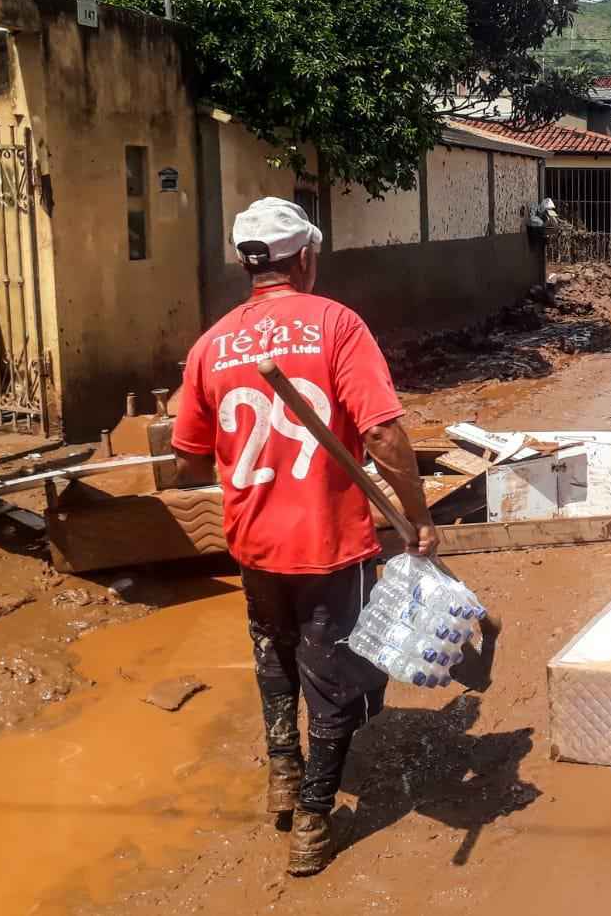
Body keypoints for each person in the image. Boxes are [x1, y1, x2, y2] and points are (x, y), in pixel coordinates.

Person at [171, 197, 439, 877]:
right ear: (308, 257)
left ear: (247, 263)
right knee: (335, 678)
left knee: (274, 658)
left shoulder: (211, 344)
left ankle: (283, 778)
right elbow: (381, 433)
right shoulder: (336, 325)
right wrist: (420, 515)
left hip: (253, 545)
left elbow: (187, 460)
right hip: (328, 544)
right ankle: (315, 821)